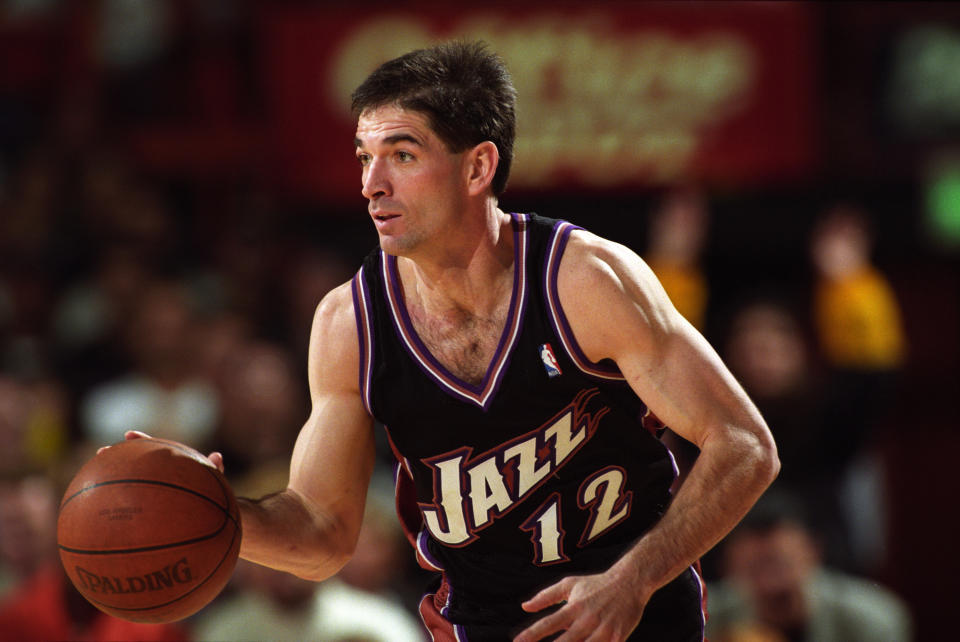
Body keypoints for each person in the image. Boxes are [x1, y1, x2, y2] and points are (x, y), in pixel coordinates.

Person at [115, 41, 778, 641]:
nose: (373, 184)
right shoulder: (350, 324)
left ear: (478, 166)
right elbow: (323, 535)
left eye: (402, 155)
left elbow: (744, 446)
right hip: (478, 628)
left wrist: (633, 580)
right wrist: (212, 510)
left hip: (633, 622)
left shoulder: (584, 282)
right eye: (364, 158)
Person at [705, 490, 912, 642]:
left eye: (779, 563)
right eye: (755, 567)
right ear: (727, 565)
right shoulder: (706, 618)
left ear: (814, 551)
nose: (769, 581)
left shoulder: (869, 618)